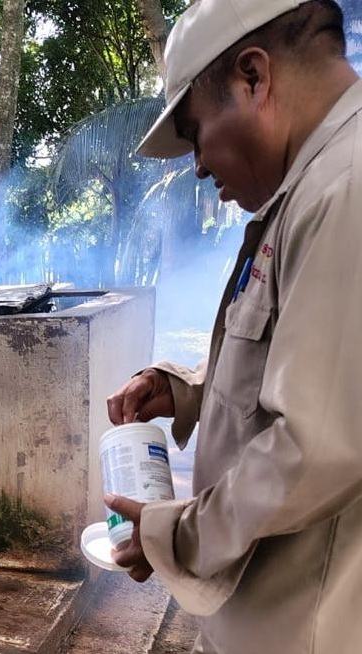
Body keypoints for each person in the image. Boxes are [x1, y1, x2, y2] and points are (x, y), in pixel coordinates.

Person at [104, 0, 362, 652]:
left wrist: (172, 535)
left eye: (193, 133)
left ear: (253, 77)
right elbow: (308, 364)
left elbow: (315, 445)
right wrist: (185, 388)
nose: (194, 165)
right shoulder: (314, 186)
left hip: (303, 627)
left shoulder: (348, 188)